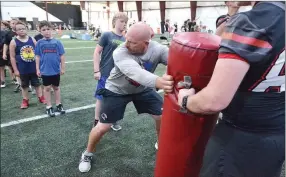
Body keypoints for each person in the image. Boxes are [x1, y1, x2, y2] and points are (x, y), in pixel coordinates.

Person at [163, 1, 285, 177]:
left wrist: (185, 99)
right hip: (278, 135)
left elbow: (213, 101)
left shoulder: (253, 21)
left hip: (241, 137)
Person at [78, 23, 173, 173]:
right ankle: (87, 154)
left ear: (146, 43)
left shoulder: (158, 49)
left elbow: (176, 60)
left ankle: (160, 142)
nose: (126, 44)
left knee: (162, 115)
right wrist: (161, 82)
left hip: (142, 89)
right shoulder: (120, 52)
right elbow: (136, 73)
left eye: (132, 42)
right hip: (116, 90)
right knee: (104, 126)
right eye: (126, 39)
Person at [93, 12, 128, 131]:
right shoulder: (107, 35)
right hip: (105, 72)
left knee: (115, 98)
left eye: (125, 22)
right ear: (115, 21)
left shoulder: (124, 39)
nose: (124, 24)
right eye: (121, 21)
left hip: (118, 75)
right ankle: (97, 121)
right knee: (101, 98)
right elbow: (96, 52)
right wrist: (96, 71)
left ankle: (113, 120)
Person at [9, 21, 46, 109]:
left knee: (37, 84)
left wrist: (39, 66)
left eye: (23, 29)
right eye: (19, 29)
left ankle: (41, 97)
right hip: (22, 69)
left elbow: (38, 53)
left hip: (33, 68)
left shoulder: (32, 39)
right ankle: (25, 100)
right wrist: (16, 70)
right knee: (24, 85)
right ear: (15, 31)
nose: (21, 30)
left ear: (26, 29)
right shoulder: (13, 42)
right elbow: (12, 57)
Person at [35, 21, 66, 117]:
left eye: (48, 29)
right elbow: (37, 56)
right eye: (43, 30)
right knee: (47, 88)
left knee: (56, 87)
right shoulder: (39, 43)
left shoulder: (57, 42)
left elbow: (62, 56)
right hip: (45, 70)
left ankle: (58, 104)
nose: (46, 31)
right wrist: (37, 69)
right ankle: (48, 106)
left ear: (52, 30)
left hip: (55, 69)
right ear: (40, 32)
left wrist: (62, 68)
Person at [3, 19, 19, 91]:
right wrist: (4, 53)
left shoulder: (21, 31)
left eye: (16, 23)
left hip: (21, 53)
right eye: (13, 23)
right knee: (12, 67)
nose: (14, 24)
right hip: (12, 54)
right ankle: (16, 81)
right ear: (10, 24)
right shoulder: (8, 33)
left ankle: (22, 81)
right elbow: (5, 44)